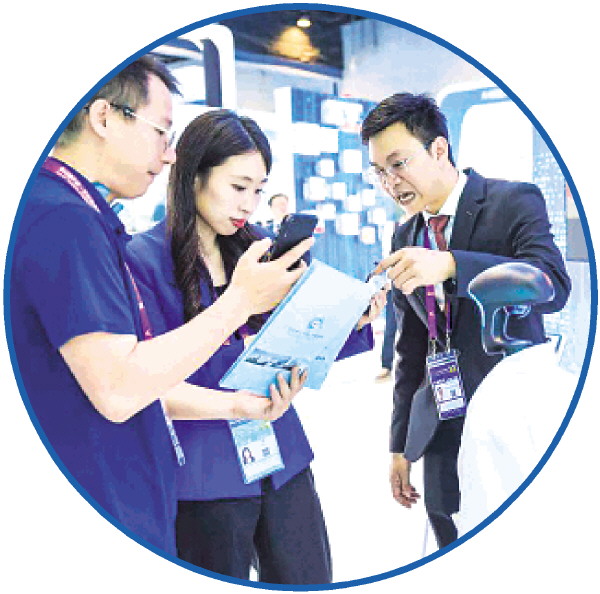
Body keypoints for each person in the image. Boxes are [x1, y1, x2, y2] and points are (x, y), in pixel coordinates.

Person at [8, 56, 311, 557]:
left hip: (252, 451)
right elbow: (120, 386)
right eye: (161, 132)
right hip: (172, 475)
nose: (168, 154)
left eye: (258, 190)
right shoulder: (70, 222)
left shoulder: (77, 216)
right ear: (104, 117)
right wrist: (239, 303)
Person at [126, 109, 384, 583]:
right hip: (203, 471)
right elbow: (141, 383)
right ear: (194, 175)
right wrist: (235, 403)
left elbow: (296, 339)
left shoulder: (261, 248)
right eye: (238, 186)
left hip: (281, 454)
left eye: (259, 190)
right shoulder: (142, 259)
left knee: (309, 576)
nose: (248, 203)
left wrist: (350, 320)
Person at [361, 92, 571, 548]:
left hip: (507, 407)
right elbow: (410, 347)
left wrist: (453, 265)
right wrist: (399, 445)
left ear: (439, 149)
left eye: (398, 164)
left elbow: (553, 285)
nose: (390, 183)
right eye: (378, 172)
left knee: (514, 542)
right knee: (447, 530)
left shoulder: (512, 200)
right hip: (442, 412)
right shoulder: (406, 233)